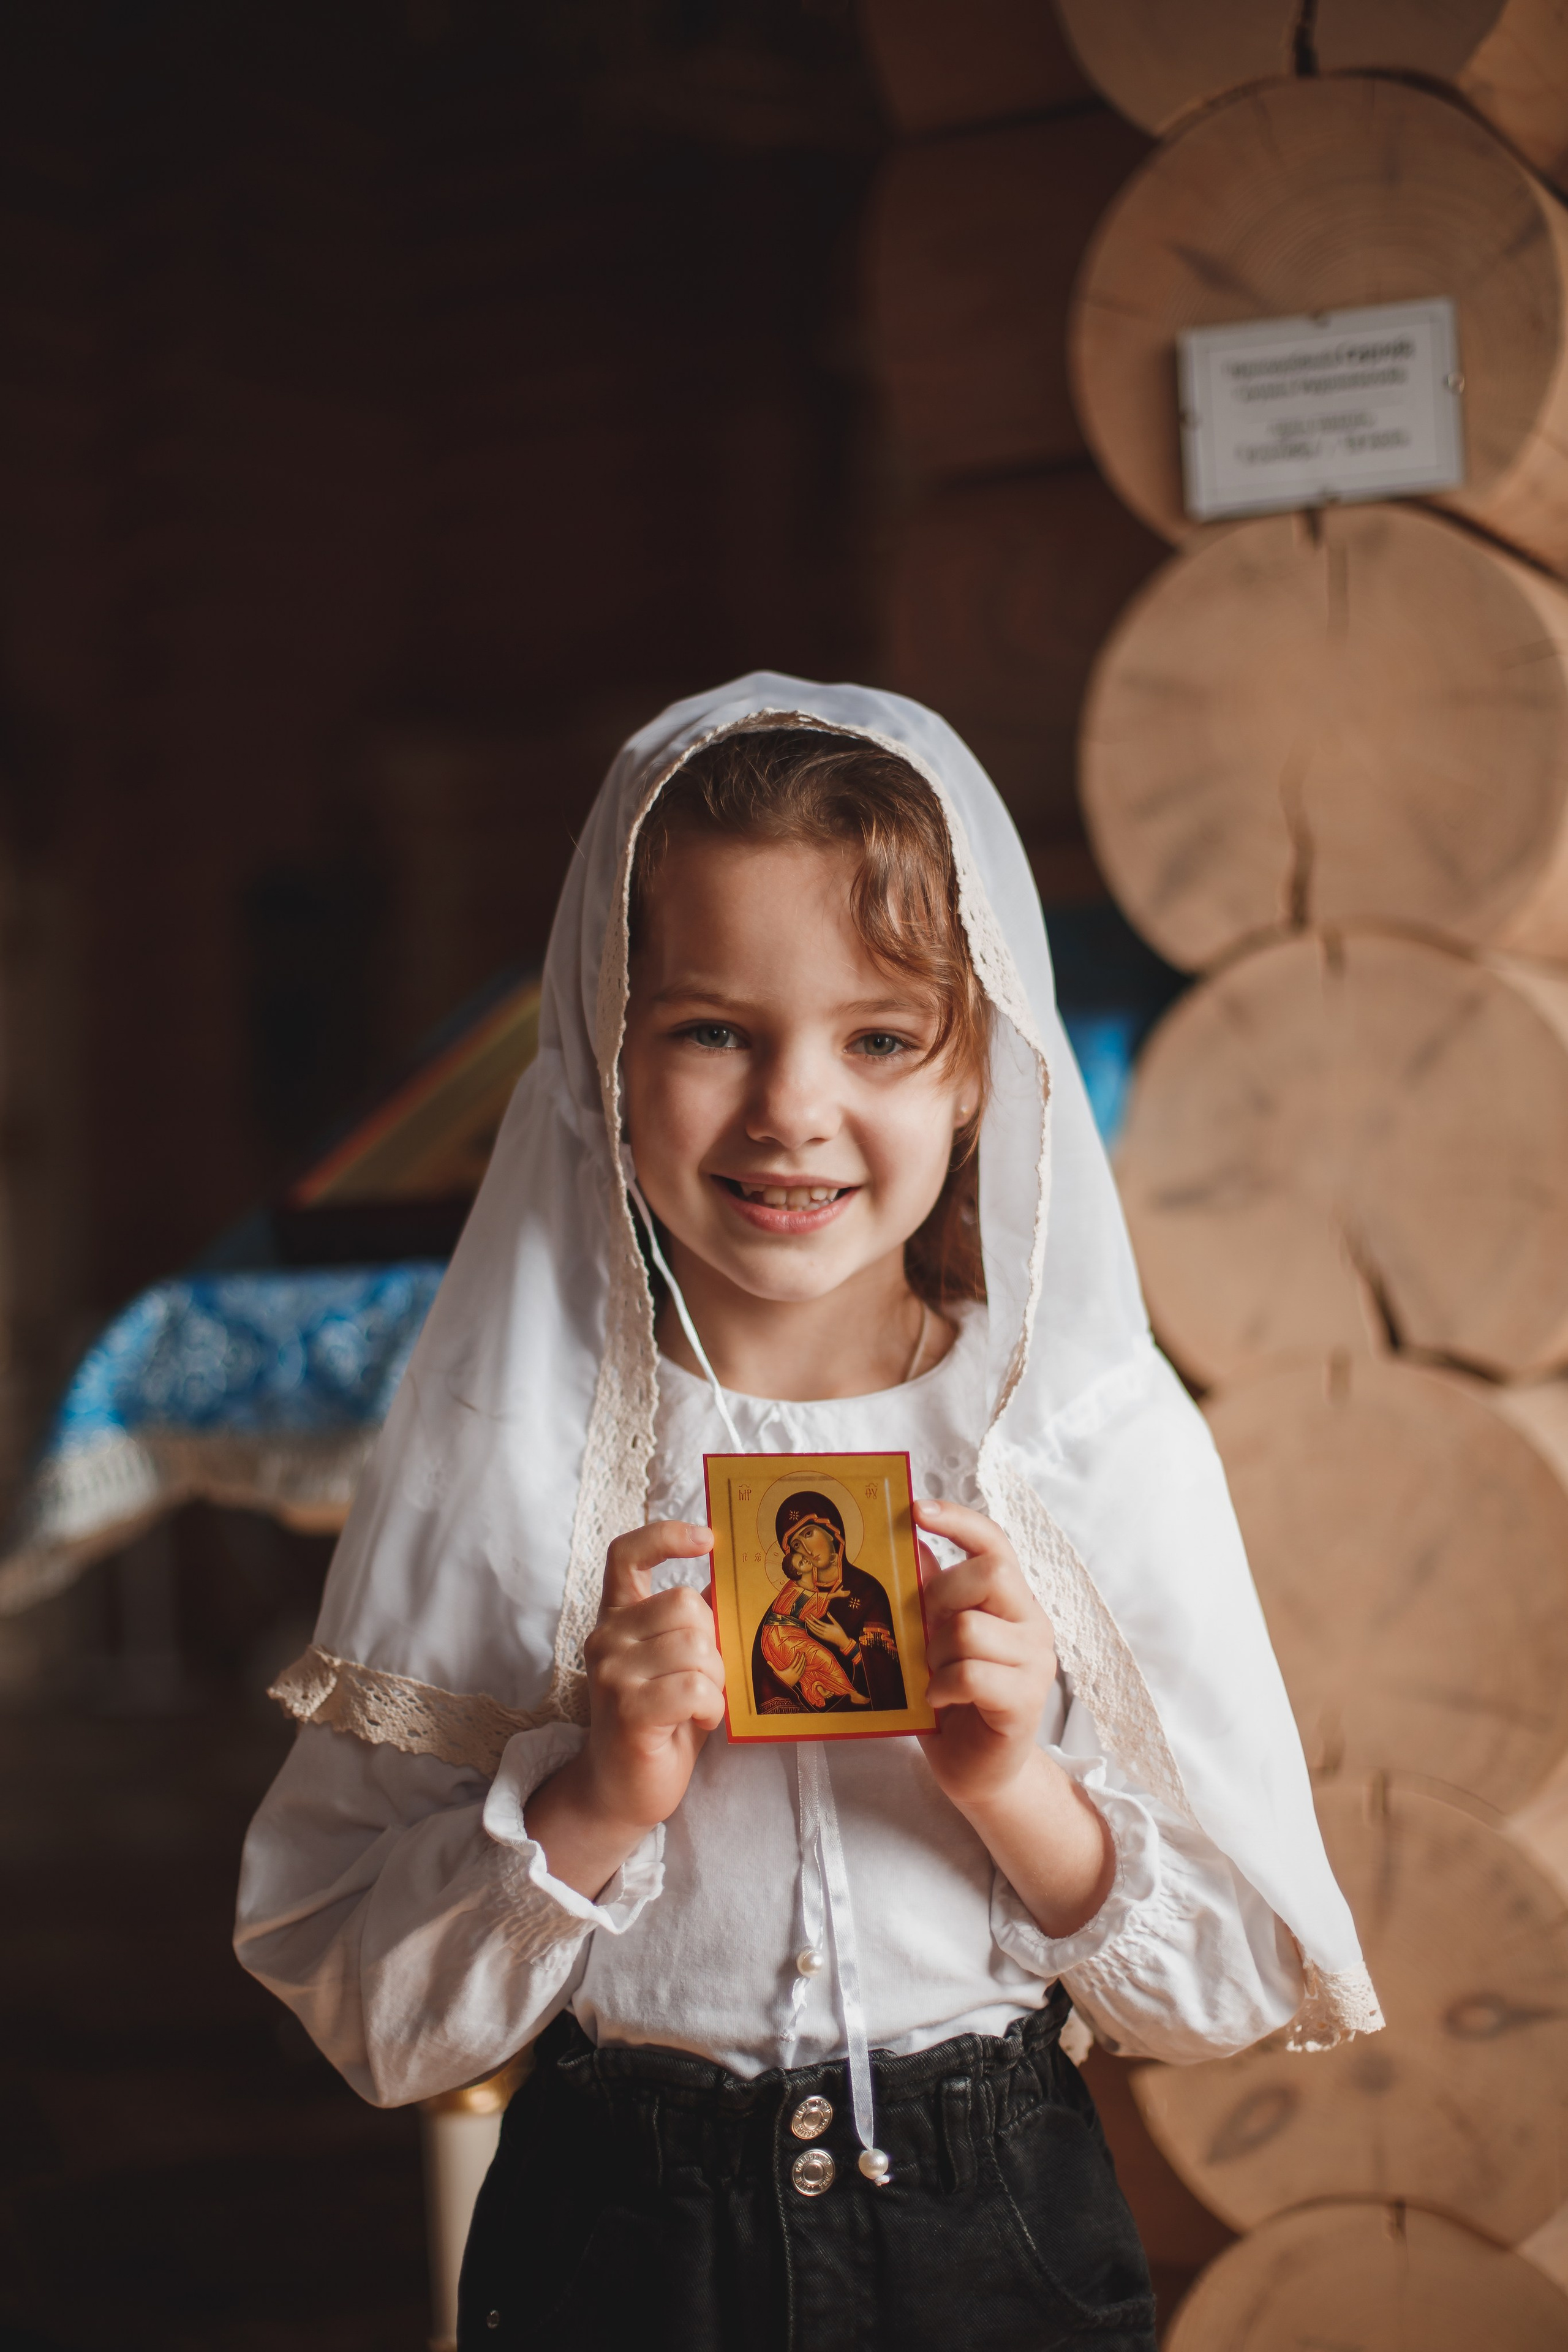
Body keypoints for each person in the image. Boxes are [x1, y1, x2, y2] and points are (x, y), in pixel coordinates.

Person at [235, 679, 1380, 2352]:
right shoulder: (509, 1451)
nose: (791, 1108)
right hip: (613, 2250)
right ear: (604, 1048)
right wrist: (593, 1799)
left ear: (977, 1063)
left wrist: (1013, 1782)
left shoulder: (1076, 1440)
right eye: (712, 1030)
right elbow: (373, 2015)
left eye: (880, 1039)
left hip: (995, 2236)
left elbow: (1222, 1988)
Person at [753, 1490, 907, 1715]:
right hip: (804, 1730)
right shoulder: (785, 1606)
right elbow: (762, 1677)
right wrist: (784, 1680)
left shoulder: (868, 1593)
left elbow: (889, 1677)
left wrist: (845, 1643)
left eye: (808, 1534)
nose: (806, 1550)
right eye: (796, 1545)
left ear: (832, 1530)